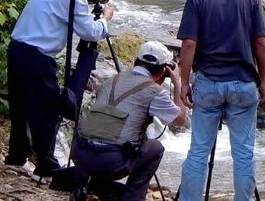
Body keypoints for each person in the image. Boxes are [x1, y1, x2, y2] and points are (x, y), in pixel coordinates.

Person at [5, 0, 114, 182]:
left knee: (20, 107)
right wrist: (105, 19)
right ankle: (47, 167)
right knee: (46, 111)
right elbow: (91, 33)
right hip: (37, 57)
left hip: (16, 49)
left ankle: (17, 156)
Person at [176, 0, 265, 201]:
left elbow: (189, 44)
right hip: (244, 82)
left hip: (209, 83)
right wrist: (263, 79)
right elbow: (260, 43)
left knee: (198, 151)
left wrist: (184, 83)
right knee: (243, 152)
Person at [71, 41, 187, 201]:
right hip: (111, 164)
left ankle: (80, 188)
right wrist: (177, 83)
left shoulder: (110, 80)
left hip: (79, 156)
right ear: (162, 72)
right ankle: (132, 198)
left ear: (135, 62)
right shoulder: (154, 92)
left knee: (98, 127)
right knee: (155, 148)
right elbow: (181, 120)